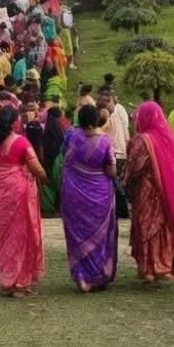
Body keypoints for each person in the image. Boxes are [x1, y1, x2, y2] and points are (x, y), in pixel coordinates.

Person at [125, 101, 174, 286]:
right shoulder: (169, 139)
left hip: (147, 191)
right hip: (168, 191)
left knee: (147, 227)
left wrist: (126, 182)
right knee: (163, 226)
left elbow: (135, 167)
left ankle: (149, 269)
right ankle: (163, 265)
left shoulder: (142, 140)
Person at [0, 107, 48, 297]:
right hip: (17, 193)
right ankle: (18, 283)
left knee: (3, 237)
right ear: (13, 123)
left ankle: (6, 279)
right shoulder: (21, 142)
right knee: (20, 235)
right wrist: (46, 181)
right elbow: (37, 169)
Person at [60, 105, 118, 292]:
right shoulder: (105, 142)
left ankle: (82, 278)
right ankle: (97, 276)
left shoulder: (71, 136)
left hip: (73, 193)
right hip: (99, 195)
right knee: (98, 236)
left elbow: (64, 156)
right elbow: (111, 172)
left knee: (77, 235)